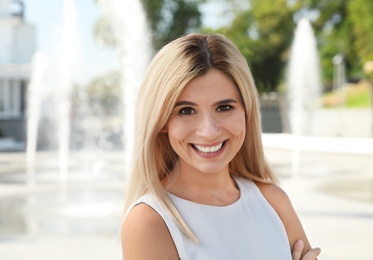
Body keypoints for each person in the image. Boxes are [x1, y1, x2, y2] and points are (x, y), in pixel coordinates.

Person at [121, 33, 320, 260]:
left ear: (247, 111)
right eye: (186, 111)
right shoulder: (149, 221)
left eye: (224, 107)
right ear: (162, 121)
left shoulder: (273, 201)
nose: (209, 131)